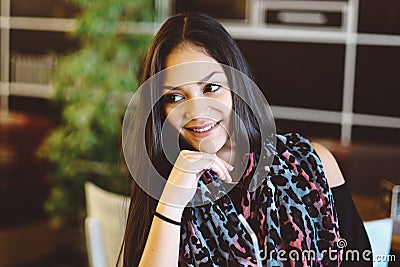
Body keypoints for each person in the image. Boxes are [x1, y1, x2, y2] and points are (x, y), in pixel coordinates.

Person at [120, 13, 372, 267]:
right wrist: (172, 202)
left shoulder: (312, 164)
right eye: (174, 98)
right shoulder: (165, 183)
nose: (196, 112)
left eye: (210, 88)